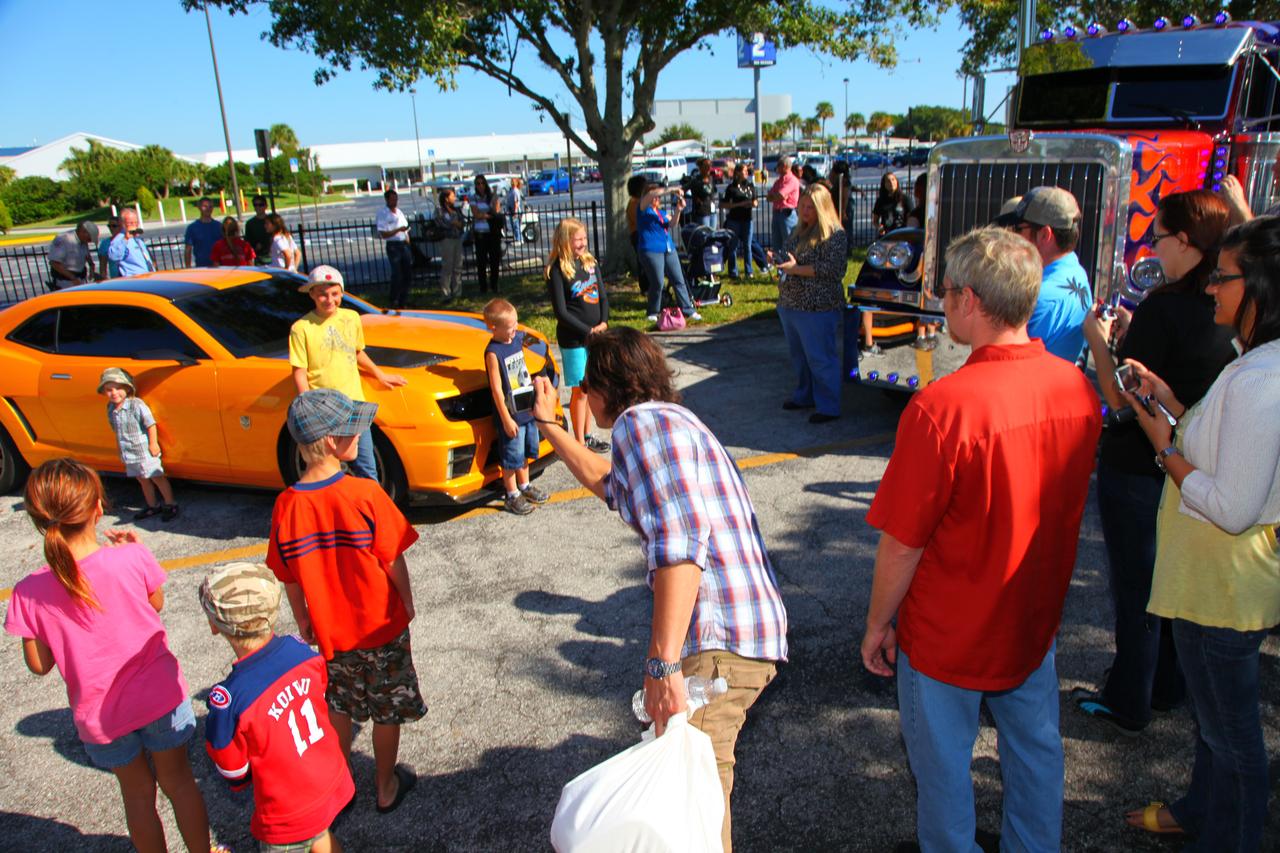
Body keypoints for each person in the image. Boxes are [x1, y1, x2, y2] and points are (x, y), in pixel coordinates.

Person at [860, 227, 1101, 852]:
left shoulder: (943, 408)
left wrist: (878, 623)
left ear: (969, 300)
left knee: (942, 774)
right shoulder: (1077, 389)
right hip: (1032, 618)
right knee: (1036, 752)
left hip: (949, 632)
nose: (940, 302)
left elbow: (903, 543)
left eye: (944, 291)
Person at [529, 328, 788, 852]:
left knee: (694, 803)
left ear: (607, 386)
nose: (583, 397)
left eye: (585, 387)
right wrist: (550, 426)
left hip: (717, 640)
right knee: (696, 791)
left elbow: (680, 539)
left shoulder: (640, 425)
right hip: (742, 635)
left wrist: (662, 663)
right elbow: (611, 485)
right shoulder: (668, 423)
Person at [1119, 215, 1280, 848]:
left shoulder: (1261, 380)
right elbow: (1227, 454)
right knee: (1214, 729)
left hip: (1222, 588)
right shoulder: (1252, 365)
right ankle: (1201, 814)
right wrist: (1169, 402)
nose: (1211, 288)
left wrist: (1163, 447)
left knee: (1232, 739)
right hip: (1211, 584)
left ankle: (1228, 835)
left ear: (1261, 286)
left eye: (1224, 277)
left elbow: (1232, 506)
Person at [1076, 190, 1237, 736]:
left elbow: (1120, 397)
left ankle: (1128, 699)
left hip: (1138, 467)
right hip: (1191, 466)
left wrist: (1099, 341)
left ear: (1186, 242)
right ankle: (1167, 686)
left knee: (1136, 590)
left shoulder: (1162, 308)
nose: (1154, 248)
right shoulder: (1225, 310)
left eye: (1159, 237)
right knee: (1170, 585)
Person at [4, 458, 222, 853]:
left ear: (39, 521)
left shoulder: (27, 591)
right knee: (179, 783)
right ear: (97, 508)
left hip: (101, 717)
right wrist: (136, 551)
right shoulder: (131, 557)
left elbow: (39, 665)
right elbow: (155, 603)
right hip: (159, 697)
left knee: (137, 795)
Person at [268, 388, 426, 815]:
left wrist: (303, 619)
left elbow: (289, 575)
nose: (360, 433)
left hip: (331, 633)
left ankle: (340, 786)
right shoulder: (365, 493)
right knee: (387, 709)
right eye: (353, 428)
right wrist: (407, 602)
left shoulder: (286, 505)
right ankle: (385, 785)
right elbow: (392, 558)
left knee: (339, 705)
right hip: (381, 625)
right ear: (333, 441)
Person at [201, 562, 354, 853]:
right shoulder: (301, 652)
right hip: (327, 778)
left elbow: (234, 771)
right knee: (320, 833)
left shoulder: (230, 697)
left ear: (214, 625)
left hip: (287, 811)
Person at [289, 265, 407, 481]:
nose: (329, 299)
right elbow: (299, 371)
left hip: (354, 404)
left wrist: (379, 374)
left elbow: (356, 352)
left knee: (367, 466)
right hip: (324, 410)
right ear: (312, 294)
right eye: (322, 294)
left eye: (335, 294)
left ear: (342, 293)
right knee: (325, 467)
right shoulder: (301, 328)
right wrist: (308, 409)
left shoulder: (351, 318)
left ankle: (369, 502)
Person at [771, 184, 848, 424]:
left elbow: (833, 270)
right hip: (791, 304)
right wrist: (778, 261)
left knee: (820, 358)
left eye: (810, 207)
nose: (805, 211)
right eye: (802, 206)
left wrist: (796, 269)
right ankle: (805, 395)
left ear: (822, 208)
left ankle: (828, 406)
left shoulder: (834, 234)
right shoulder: (799, 231)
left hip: (817, 307)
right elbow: (789, 258)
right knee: (800, 357)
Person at [545, 219, 610, 454]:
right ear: (565, 241)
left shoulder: (589, 263)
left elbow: (603, 296)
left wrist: (604, 322)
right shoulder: (557, 270)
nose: (583, 243)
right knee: (579, 390)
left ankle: (588, 435)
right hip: (574, 339)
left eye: (584, 238)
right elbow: (561, 313)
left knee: (590, 386)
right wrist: (587, 331)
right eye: (578, 239)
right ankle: (579, 442)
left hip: (595, 335)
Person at [482, 298, 550, 515]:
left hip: (526, 408)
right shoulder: (493, 353)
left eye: (516, 323)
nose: (516, 329)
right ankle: (511, 495)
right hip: (511, 415)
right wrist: (506, 419)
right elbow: (496, 390)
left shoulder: (515, 340)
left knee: (525, 452)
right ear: (494, 327)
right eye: (511, 327)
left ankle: (525, 485)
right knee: (512, 457)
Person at [1009, 186, 1092, 363]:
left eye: (1018, 229)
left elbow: (1007, 364)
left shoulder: (1040, 299)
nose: (1012, 236)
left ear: (1045, 235)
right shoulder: (1077, 271)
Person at [99, 367, 179, 522]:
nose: (114, 393)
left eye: (118, 388)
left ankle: (170, 503)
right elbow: (116, 429)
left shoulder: (136, 405)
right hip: (129, 453)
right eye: (109, 390)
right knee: (142, 480)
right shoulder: (111, 408)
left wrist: (153, 444)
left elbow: (150, 424)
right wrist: (120, 448)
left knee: (156, 477)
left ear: (127, 388)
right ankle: (152, 505)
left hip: (144, 451)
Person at [636, 183, 700, 325]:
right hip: (651, 250)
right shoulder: (643, 209)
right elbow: (651, 194)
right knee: (658, 282)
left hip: (668, 248)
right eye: (656, 196)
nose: (657, 199)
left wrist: (678, 210)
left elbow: (672, 224)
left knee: (678, 279)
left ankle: (688, 309)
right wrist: (671, 189)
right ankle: (653, 311)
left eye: (658, 197)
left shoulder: (661, 212)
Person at [377, 189, 413, 309]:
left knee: (407, 273)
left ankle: (403, 300)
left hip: (403, 244)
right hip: (393, 245)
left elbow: (405, 229)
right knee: (397, 274)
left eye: (396, 199)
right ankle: (394, 299)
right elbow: (383, 234)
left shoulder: (399, 212)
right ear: (387, 200)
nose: (394, 201)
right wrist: (398, 230)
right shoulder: (383, 214)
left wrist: (407, 240)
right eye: (392, 199)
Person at [720, 163, 756, 279]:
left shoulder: (750, 186)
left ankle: (749, 271)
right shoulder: (731, 188)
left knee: (747, 246)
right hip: (734, 220)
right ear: (738, 173)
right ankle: (733, 272)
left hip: (747, 219)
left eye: (747, 171)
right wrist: (740, 204)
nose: (746, 173)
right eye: (744, 171)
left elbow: (755, 200)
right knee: (733, 246)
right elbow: (724, 204)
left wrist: (753, 203)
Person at [471, 175, 503, 293]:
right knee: (481, 261)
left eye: (482, 183)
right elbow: (476, 214)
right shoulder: (473, 197)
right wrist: (488, 215)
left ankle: (494, 284)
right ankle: (483, 286)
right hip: (481, 232)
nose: (480, 186)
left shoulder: (491, 196)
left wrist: (494, 197)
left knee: (495, 259)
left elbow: (496, 210)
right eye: (478, 184)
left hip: (493, 232)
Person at [434, 188, 466, 300]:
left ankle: (457, 292)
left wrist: (457, 224)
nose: (454, 198)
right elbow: (441, 223)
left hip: (457, 239)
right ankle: (445, 293)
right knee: (447, 266)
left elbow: (462, 222)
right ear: (446, 198)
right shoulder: (439, 210)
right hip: (447, 240)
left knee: (458, 265)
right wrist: (453, 223)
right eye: (452, 196)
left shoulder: (456, 210)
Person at [48, 220, 99, 288]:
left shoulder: (83, 239)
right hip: (65, 281)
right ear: (83, 232)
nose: (90, 241)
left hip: (80, 278)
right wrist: (73, 278)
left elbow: (86, 254)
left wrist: (91, 265)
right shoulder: (64, 239)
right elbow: (54, 263)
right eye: (89, 238)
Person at [766, 155, 801, 251]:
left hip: (787, 214)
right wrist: (777, 196)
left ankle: (791, 260)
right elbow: (769, 197)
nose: (777, 169)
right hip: (776, 213)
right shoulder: (778, 182)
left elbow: (780, 195)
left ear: (785, 166)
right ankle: (779, 260)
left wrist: (777, 196)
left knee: (789, 241)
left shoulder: (792, 180)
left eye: (779, 166)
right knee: (776, 243)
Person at [109, 209, 156, 277]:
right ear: (122, 224)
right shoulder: (119, 239)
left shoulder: (138, 240)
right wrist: (125, 239)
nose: (134, 225)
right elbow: (113, 256)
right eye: (130, 223)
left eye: (136, 222)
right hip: (134, 278)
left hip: (148, 277)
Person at [626, 174, 652, 294]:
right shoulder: (634, 203)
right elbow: (639, 220)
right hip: (638, 235)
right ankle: (645, 286)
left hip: (644, 235)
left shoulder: (642, 202)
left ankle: (649, 284)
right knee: (643, 262)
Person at [184, 197, 223, 268]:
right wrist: (188, 266)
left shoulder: (219, 226)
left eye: (210, 207)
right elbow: (188, 249)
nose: (208, 209)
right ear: (199, 207)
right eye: (205, 206)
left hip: (219, 266)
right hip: (202, 266)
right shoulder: (192, 228)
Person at [689, 157, 717, 229]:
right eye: (706, 166)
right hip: (703, 213)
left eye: (710, 165)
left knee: (713, 233)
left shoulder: (711, 179)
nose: (709, 168)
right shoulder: (696, 180)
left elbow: (714, 191)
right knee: (705, 233)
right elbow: (693, 194)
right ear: (701, 168)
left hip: (712, 211)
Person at [244, 195, 273, 264]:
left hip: (272, 255)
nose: (258, 207)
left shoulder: (272, 220)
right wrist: (255, 247)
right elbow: (248, 242)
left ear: (266, 206)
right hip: (258, 257)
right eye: (255, 205)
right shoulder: (250, 223)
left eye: (261, 205)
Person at [504, 176, 524, 241]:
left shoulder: (515, 191)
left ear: (516, 183)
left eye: (513, 182)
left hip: (515, 211)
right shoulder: (511, 191)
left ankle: (519, 239)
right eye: (511, 182)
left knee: (516, 226)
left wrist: (515, 212)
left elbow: (516, 202)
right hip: (511, 211)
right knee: (514, 226)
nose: (512, 183)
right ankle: (518, 238)